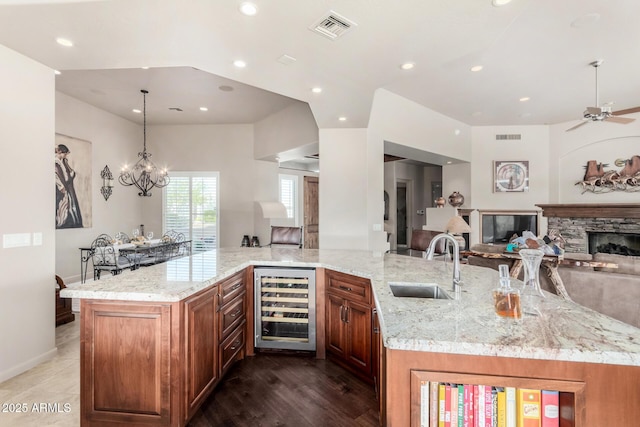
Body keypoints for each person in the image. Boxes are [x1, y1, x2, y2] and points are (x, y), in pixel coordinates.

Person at [55, 144, 83, 228]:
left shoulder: (63, 162)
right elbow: (55, 176)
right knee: (62, 207)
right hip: (61, 190)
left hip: (67, 187)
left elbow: (68, 174)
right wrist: (61, 186)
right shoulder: (56, 163)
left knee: (68, 206)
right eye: (64, 153)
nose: (65, 156)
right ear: (60, 152)